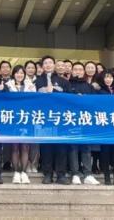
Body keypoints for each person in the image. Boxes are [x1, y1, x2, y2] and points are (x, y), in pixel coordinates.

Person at [36, 55, 71, 185]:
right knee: (46, 147)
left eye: (50, 62)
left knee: (61, 147)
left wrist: (54, 91)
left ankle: (61, 175)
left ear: (54, 65)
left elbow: (69, 98)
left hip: (60, 118)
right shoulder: (37, 81)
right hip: (44, 118)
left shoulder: (63, 81)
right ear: (42, 66)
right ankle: (48, 174)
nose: (48, 65)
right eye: (45, 63)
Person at [68, 62, 99, 185]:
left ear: (84, 71)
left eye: (80, 69)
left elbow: (95, 103)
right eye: (75, 69)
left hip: (86, 120)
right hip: (71, 120)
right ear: (72, 71)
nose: (78, 71)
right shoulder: (67, 85)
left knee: (86, 147)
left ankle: (88, 174)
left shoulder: (89, 86)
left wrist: (85, 99)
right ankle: (75, 173)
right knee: (73, 147)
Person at [5, 65, 34, 184]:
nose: (19, 75)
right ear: (14, 74)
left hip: (26, 119)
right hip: (12, 119)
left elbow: (34, 102)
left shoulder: (30, 86)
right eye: (17, 73)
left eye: (22, 73)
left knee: (25, 146)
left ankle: (24, 172)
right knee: (15, 147)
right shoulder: (8, 85)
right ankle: (16, 172)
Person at [96, 70, 114, 185]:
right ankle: (107, 177)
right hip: (104, 126)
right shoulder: (98, 91)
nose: (108, 79)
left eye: (110, 77)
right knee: (105, 153)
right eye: (106, 77)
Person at [23, 60, 40, 173]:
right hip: (24, 115)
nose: (30, 70)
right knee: (25, 140)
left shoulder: (39, 81)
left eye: (32, 68)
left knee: (35, 140)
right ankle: (26, 163)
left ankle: (34, 164)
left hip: (37, 115)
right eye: (28, 67)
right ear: (25, 69)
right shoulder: (20, 80)